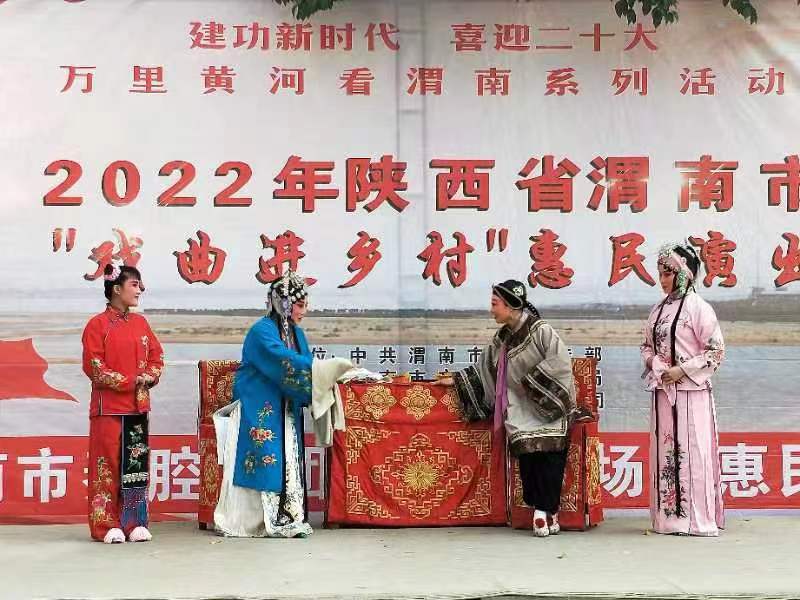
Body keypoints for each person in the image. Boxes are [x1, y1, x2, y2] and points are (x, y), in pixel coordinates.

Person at [439, 279, 576, 537]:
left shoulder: (541, 330)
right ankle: (546, 511)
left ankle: (543, 512)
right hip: (520, 408)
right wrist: (457, 380)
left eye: (495, 304)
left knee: (550, 457)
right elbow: (484, 370)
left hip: (548, 404)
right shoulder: (502, 338)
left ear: (511, 305)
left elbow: (560, 363)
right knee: (529, 458)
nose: (491, 310)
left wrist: (532, 384)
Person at [214, 270, 315, 538]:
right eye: (300, 304)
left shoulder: (296, 334)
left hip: (284, 409)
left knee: (286, 458)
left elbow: (303, 362)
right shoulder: (262, 331)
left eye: (305, 305)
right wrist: (319, 370)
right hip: (258, 405)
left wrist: (319, 374)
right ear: (284, 303)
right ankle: (254, 521)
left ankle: (287, 516)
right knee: (263, 455)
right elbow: (282, 360)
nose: (304, 311)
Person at [640, 242, 725, 536]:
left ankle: (697, 520)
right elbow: (646, 346)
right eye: (660, 274)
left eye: (667, 274)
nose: (662, 280)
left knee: (693, 453)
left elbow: (716, 351)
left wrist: (683, 369)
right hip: (664, 394)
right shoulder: (658, 309)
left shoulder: (699, 308)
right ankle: (668, 519)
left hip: (692, 394)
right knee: (666, 453)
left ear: (684, 274)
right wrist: (655, 363)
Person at [82, 264, 164, 543]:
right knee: (106, 466)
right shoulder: (97, 325)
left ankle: (134, 522)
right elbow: (95, 368)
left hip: (137, 407)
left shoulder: (141, 323)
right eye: (134, 285)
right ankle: (105, 525)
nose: (140, 290)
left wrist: (150, 375)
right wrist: (132, 380)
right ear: (117, 289)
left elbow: (157, 357)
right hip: (107, 408)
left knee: (135, 467)